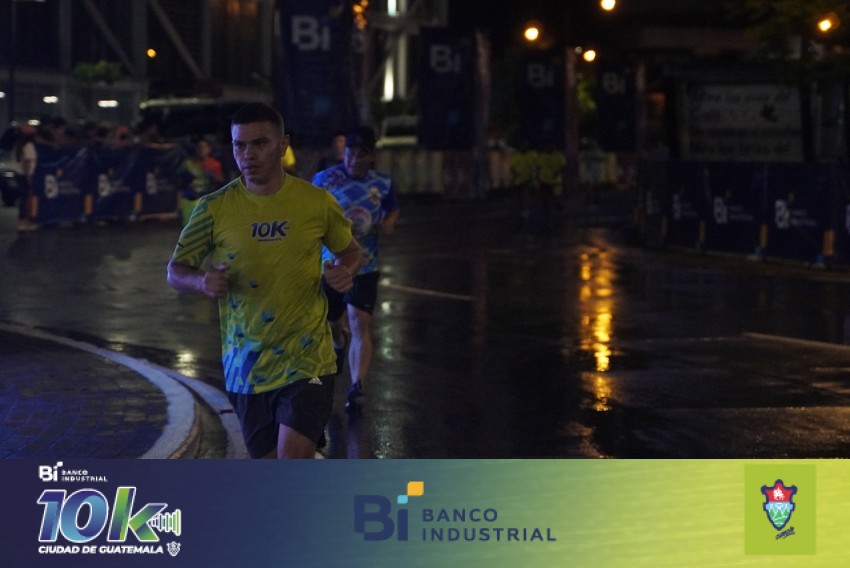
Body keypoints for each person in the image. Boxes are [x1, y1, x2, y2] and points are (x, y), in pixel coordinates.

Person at [166, 102, 362, 459]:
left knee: (292, 457)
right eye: (239, 145)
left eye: (259, 143)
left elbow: (350, 251)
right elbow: (176, 270)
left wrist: (344, 270)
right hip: (246, 366)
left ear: (282, 145)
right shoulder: (214, 207)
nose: (248, 154)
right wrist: (202, 282)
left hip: (308, 359)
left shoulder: (315, 202)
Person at [311, 125, 400, 413]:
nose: (355, 159)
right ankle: (338, 341)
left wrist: (388, 222)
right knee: (331, 322)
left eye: (362, 154)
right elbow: (307, 212)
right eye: (351, 153)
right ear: (344, 152)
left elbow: (391, 208)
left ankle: (356, 386)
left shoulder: (382, 183)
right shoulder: (325, 179)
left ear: (371, 156)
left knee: (359, 320)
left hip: (366, 264)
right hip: (330, 265)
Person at [178, 138, 225, 225]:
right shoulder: (188, 163)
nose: (201, 150)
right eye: (199, 147)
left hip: (206, 200)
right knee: (188, 228)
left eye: (204, 147)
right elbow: (179, 183)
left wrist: (213, 175)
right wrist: (179, 205)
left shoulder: (214, 164)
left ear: (209, 149)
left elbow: (221, 182)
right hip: (189, 200)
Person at [12, 125, 38, 232]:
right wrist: (29, 177)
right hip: (25, 174)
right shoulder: (29, 145)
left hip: (18, 173)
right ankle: (25, 222)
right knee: (26, 198)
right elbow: (27, 162)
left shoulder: (18, 145)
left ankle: (22, 222)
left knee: (23, 198)